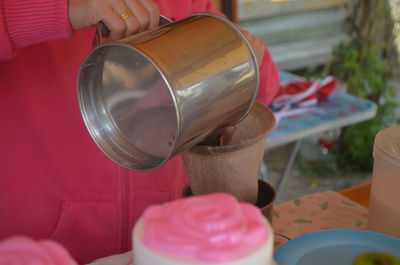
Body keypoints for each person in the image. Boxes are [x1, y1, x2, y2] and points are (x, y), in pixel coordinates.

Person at [0, 0, 280, 264]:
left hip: (166, 237)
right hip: (38, 246)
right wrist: (59, 9)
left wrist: (243, 56)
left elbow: (263, 90)